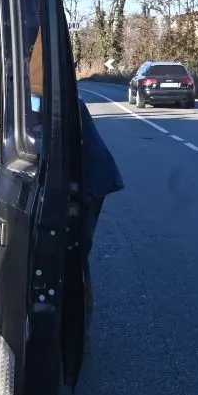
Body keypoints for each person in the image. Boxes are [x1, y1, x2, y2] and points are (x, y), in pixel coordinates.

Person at [76, 100, 123, 354]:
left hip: (91, 179)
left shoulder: (55, 96)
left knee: (76, 255)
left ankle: (80, 337)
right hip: (85, 175)